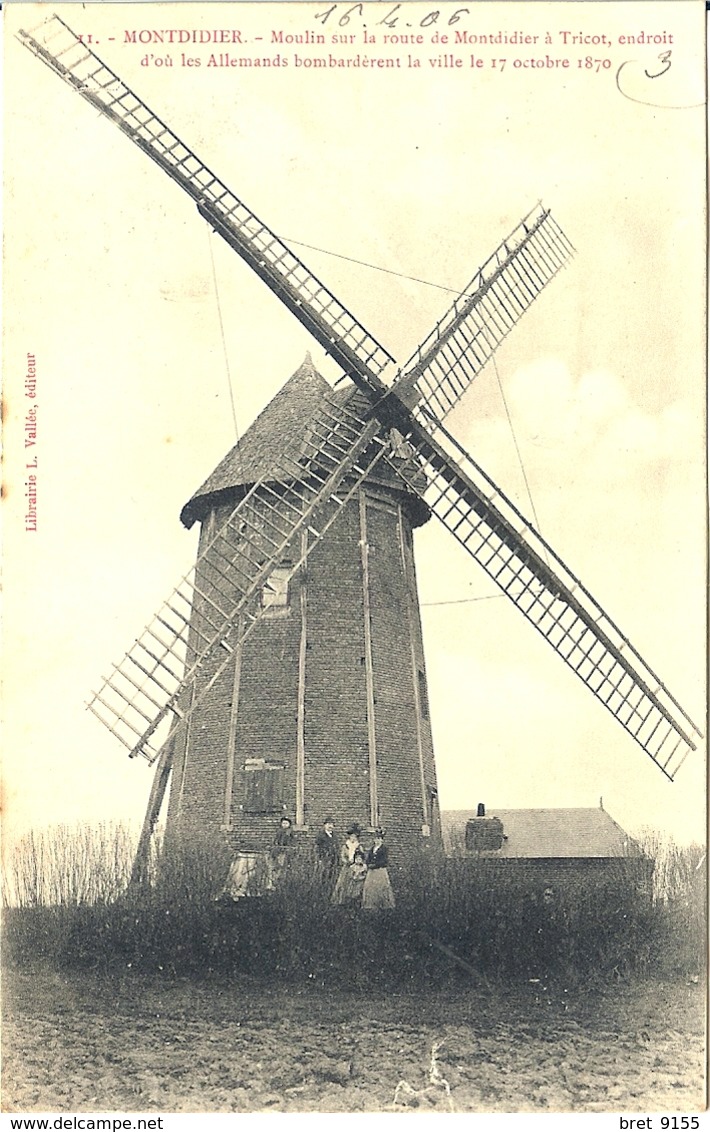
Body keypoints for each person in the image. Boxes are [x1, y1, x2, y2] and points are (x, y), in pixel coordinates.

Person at [331, 822, 367, 907]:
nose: (353, 838)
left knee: (356, 885)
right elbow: (342, 856)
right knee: (344, 883)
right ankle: (341, 901)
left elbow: (363, 856)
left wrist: (358, 862)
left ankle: (355, 901)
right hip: (347, 867)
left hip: (356, 868)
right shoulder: (345, 846)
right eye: (351, 836)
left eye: (354, 836)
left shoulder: (359, 846)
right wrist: (346, 862)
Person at [362, 828, 395, 910]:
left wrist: (375, 865)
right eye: (376, 838)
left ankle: (383, 904)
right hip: (372, 872)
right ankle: (370, 905)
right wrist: (368, 864)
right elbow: (368, 859)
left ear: (382, 840)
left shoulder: (384, 849)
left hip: (380, 871)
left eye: (379, 838)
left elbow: (384, 861)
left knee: (381, 887)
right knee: (370, 887)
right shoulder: (372, 849)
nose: (377, 840)